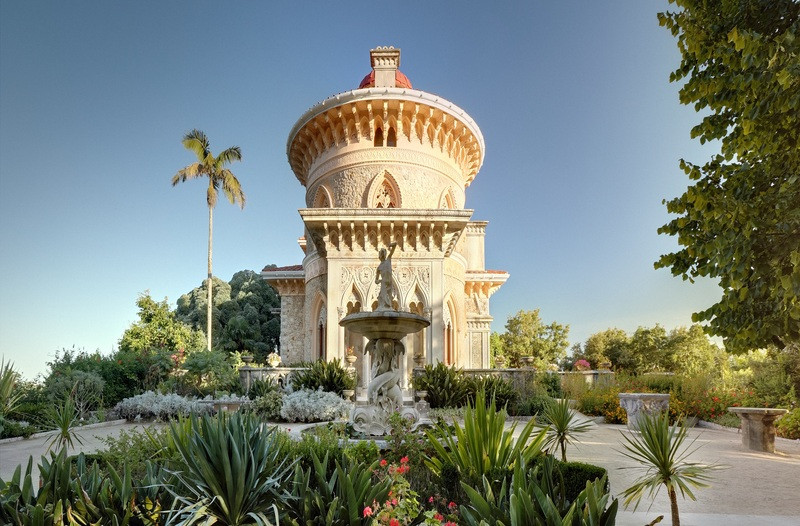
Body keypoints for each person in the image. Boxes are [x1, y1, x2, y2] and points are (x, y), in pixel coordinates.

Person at [375, 242, 397, 311]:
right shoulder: (379, 267)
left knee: (389, 298)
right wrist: (378, 281)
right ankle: (383, 307)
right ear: (380, 256)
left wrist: (392, 245)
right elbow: (376, 280)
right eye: (381, 253)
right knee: (383, 297)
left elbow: (394, 247)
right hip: (384, 283)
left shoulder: (388, 260)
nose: (383, 255)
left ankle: (388, 307)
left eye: (383, 253)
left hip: (389, 282)